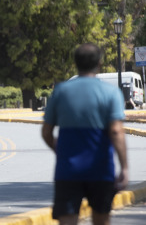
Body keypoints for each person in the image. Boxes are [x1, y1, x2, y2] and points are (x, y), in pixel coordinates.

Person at [42, 43, 128, 225]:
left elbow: (46, 132)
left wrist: (60, 150)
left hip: (68, 171)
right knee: (101, 219)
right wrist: (125, 167)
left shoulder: (60, 92)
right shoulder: (111, 93)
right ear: (99, 63)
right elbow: (116, 131)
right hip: (101, 170)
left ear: (76, 63)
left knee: (67, 220)